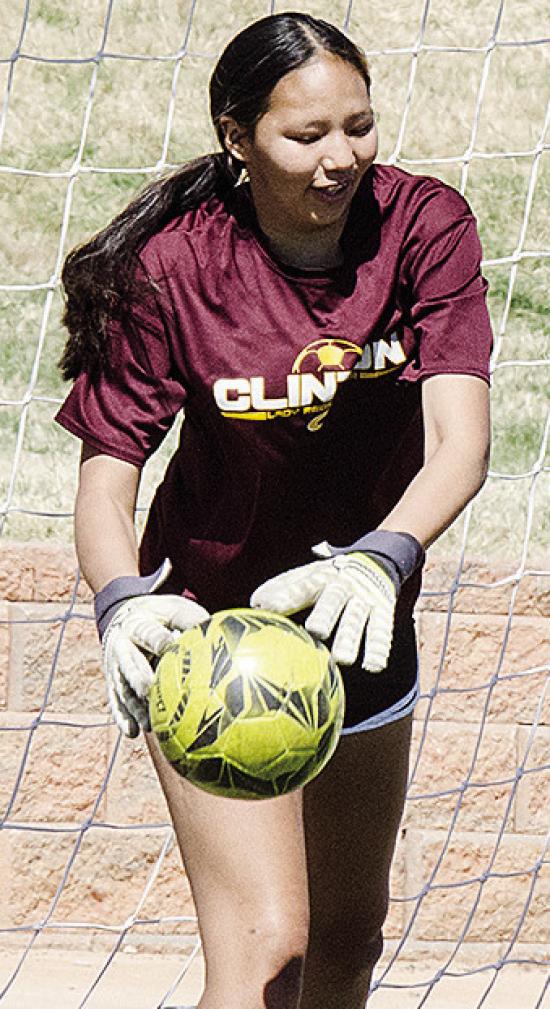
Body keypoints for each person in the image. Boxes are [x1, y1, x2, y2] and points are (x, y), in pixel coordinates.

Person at [56, 12, 492, 1009]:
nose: (341, 157)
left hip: (357, 615)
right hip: (209, 632)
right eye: (307, 135)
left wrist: (381, 558)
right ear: (235, 135)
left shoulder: (425, 225)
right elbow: (105, 476)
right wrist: (121, 598)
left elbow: (460, 443)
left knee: (345, 941)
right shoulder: (172, 263)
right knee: (266, 952)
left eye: (360, 125)